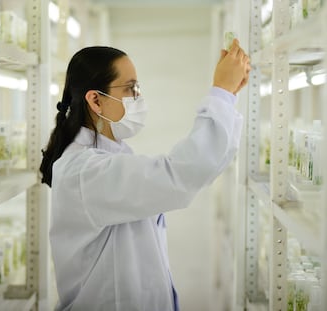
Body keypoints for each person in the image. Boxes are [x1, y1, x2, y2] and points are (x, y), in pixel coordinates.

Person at [40, 41, 250, 311]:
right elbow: (181, 175)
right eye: (130, 88)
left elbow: (202, 168)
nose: (138, 97)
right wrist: (221, 93)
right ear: (96, 100)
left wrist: (228, 96)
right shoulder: (84, 172)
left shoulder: (111, 157)